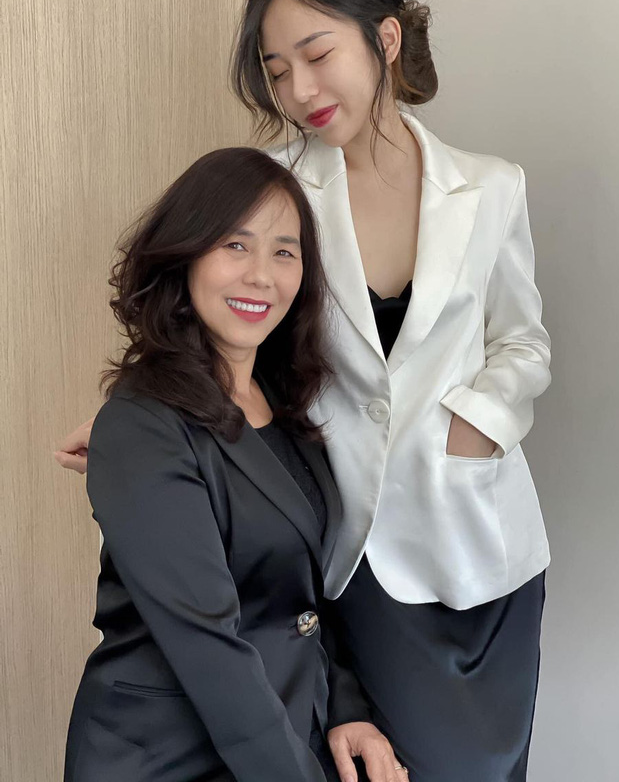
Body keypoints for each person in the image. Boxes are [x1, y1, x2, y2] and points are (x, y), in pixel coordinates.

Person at [57, 0, 552, 782]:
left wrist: (480, 423)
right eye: (278, 71)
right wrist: (139, 416)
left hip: (482, 543)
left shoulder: (492, 185)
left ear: (385, 39)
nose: (300, 92)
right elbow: (226, 321)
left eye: (317, 57)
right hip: (352, 548)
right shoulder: (276, 190)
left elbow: (522, 339)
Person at [62, 147, 402, 782]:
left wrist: (344, 710)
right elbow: (207, 645)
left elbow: (300, 591)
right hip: (168, 756)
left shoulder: (284, 402)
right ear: (185, 255)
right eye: (235, 245)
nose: (261, 276)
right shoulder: (141, 425)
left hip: (278, 731)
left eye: (284, 251)